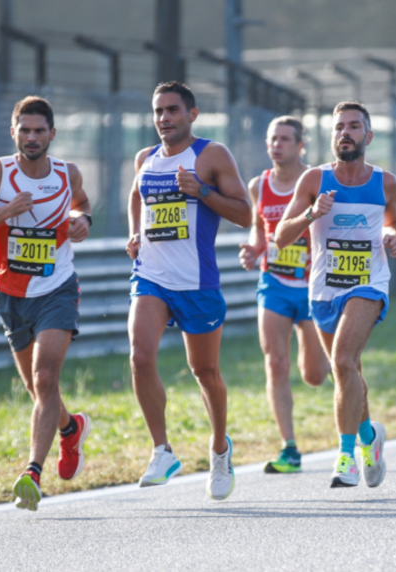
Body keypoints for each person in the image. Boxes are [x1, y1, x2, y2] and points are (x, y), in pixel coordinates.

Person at [0, 96, 93, 512]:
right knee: (36, 388)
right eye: (24, 130)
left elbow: (82, 204)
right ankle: (71, 428)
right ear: (12, 132)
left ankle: (33, 471)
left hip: (57, 287)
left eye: (39, 130)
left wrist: (84, 220)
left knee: (46, 378)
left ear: (52, 134)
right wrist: (7, 212)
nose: (32, 137)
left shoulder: (68, 174)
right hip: (11, 293)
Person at [125, 82, 253, 500]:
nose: (164, 118)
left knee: (205, 373)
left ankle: (219, 449)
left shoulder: (211, 155)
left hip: (197, 281)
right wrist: (134, 234)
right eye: (158, 110)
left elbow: (245, 215)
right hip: (152, 277)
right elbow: (135, 197)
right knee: (140, 356)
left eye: (173, 110)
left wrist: (203, 192)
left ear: (192, 114)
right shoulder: (145, 158)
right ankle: (162, 450)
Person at [274, 101, 396, 488]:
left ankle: (346, 456)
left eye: (353, 126)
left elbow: (393, 221)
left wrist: (393, 237)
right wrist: (312, 213)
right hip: (324, 287)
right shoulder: (314, 180)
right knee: (345, 373)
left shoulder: (387, 183)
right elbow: (281, 237)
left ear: (368, 135)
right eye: (338, 128)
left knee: (344, 361)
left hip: (368, 283)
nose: (345, 133)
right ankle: (369, 437)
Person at [238, 116, 331, 473]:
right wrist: (252, 250)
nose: (277, 145)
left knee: (314, 375)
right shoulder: (259, 184)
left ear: (300, 145)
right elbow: (258, 231)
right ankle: (289, 447)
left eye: (285, 139)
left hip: (312, 286)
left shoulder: (316, 181)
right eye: (272, 139)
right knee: (276, 363)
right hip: (274, 283)